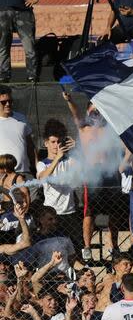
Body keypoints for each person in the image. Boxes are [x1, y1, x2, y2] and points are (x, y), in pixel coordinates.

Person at [37, 119, 80, 248]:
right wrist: (57, 158)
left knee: (75, 249)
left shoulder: (69, 160)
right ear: (46, 143)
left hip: (70, 213)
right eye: (53, 142)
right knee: (54, 249)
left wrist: (78, 147)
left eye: (58, 142)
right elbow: (42, 178)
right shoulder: (42, 163)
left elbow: (86, 166)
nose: (56, 145)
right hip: (51, 215)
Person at [0, 0, 38, 82]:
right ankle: (3, 78)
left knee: (30, 47)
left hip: (23, 12)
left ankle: (32, 77)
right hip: (2, 12)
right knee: (2, 48)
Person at [0, 86, 35, 174]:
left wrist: (36, 166)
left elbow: (30, 145)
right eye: (3, 102)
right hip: (3, 174)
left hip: (24, 172)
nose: (8, 104)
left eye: (10, 101)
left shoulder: (21, 118)